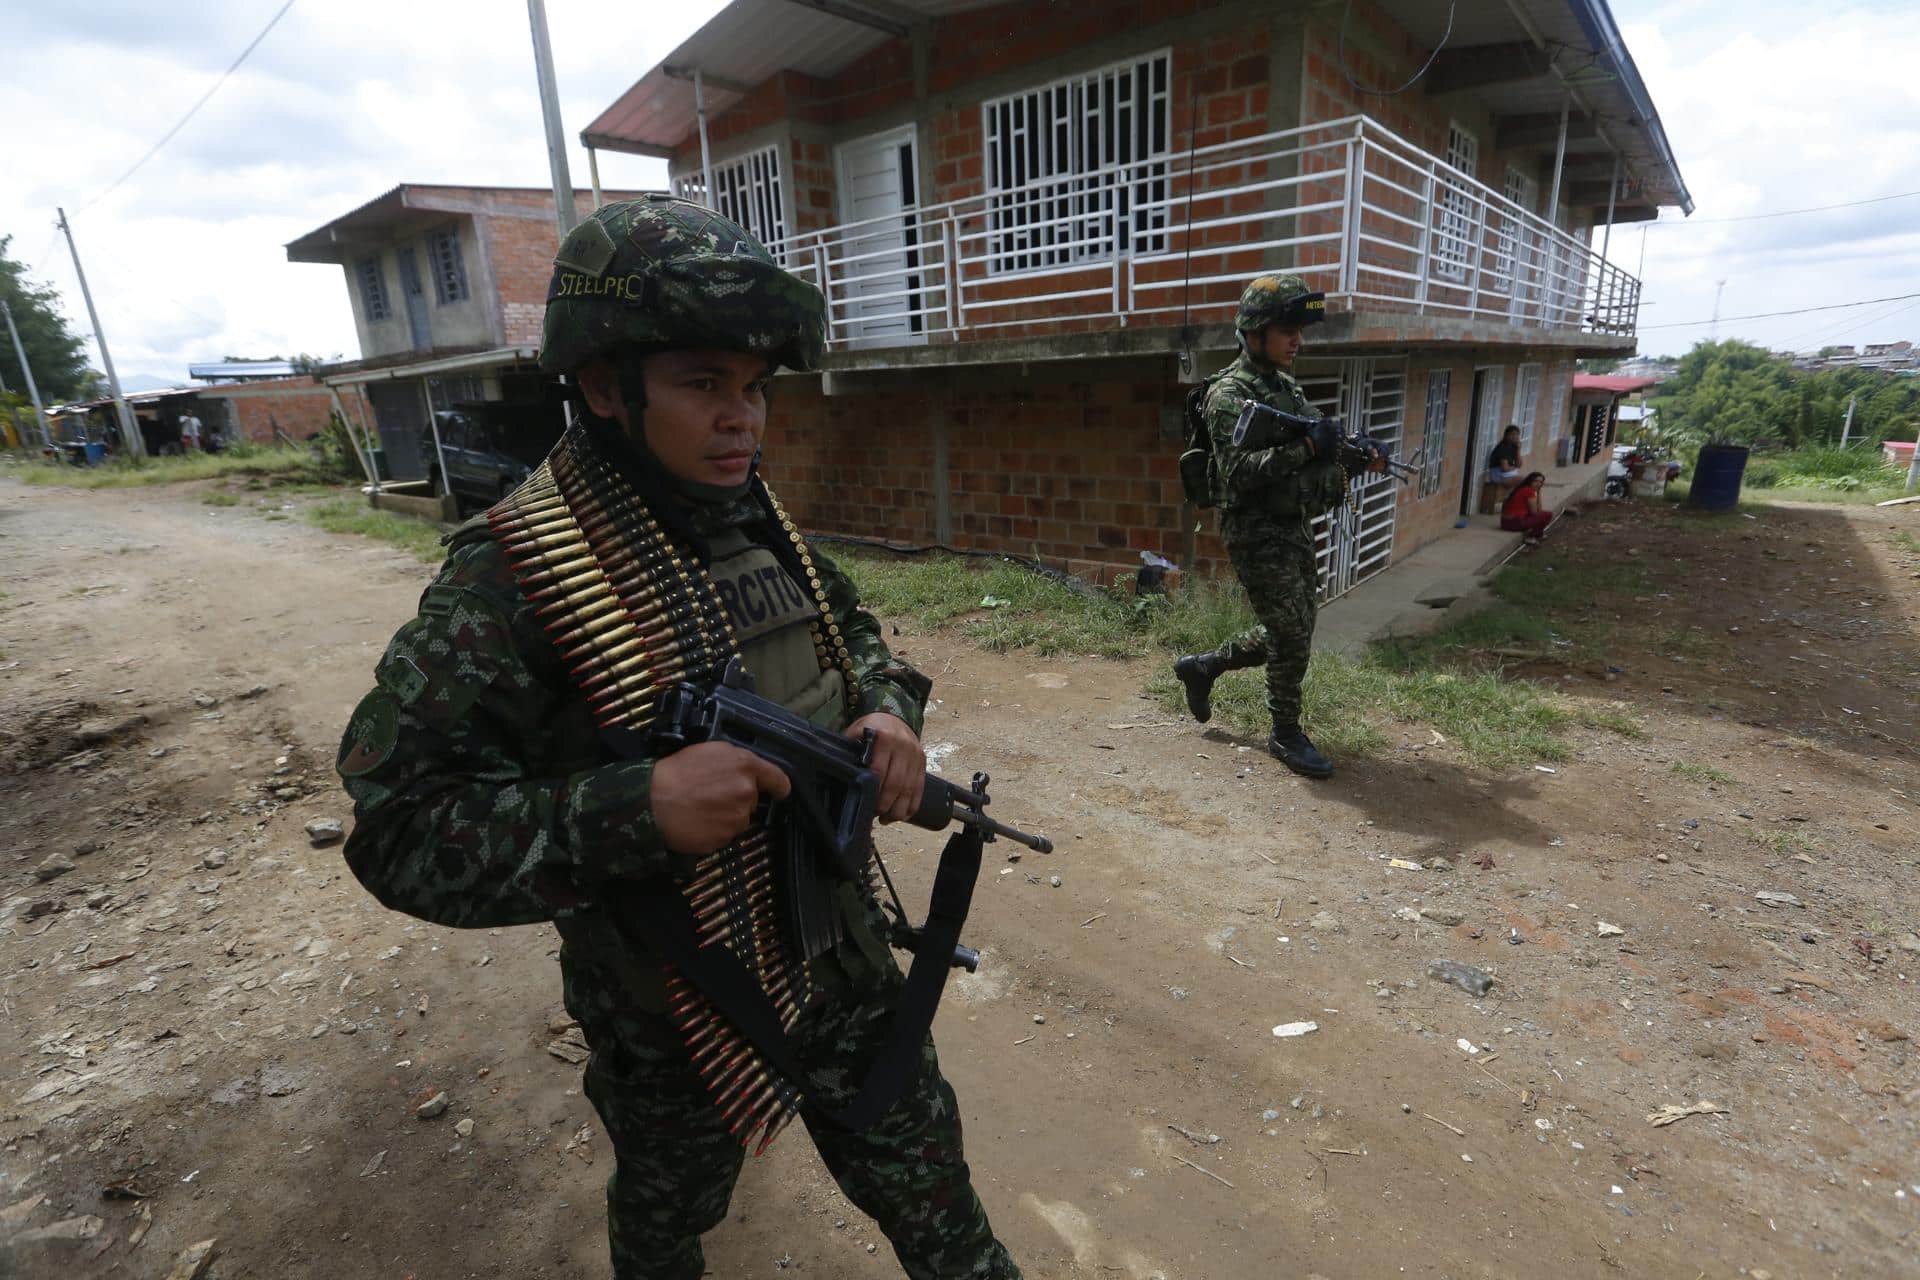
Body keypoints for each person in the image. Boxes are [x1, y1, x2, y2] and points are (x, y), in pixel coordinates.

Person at [334, 196, 1020, 1280]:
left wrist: (889, 712)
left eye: (753, 388)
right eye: (705, 383)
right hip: (681, 1013)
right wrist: (630, 808)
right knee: (667, 1222)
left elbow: (858, 637)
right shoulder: (514, 574)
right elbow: (400, 829)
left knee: (950, 1225)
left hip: (838, 958)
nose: (743, 418)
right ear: (607, 385)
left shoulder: (754, 517)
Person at [1170, 273, 1379, 780]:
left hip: (1293, 523)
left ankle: (1204, 667)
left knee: (1294, 627)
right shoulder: (1228, 395)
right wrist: (1307, 449)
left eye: (1298, 330)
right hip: (1256, 531)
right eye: (1288, 330)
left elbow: (1318, 430)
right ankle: (1285, 732)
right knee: (1290, 630)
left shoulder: (1283, 385)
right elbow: (1238, 473)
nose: (1297, 341)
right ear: (1255, 332)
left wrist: (1357, 450)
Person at [1501, 470, 1553, 539]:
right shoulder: (1529, 491)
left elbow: (1537, 510)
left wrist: (1538, 492)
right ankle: (1531, 536)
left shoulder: (1521, 488)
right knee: (1548, 515)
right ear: (1530, 481)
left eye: (1540, 482)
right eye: (1535, 481)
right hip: (1514, 523)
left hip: (1505, 523)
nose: (1538, 484)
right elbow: (1535, 512)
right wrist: (1538, 493)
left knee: (1541, 515)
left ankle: (1537, 534)